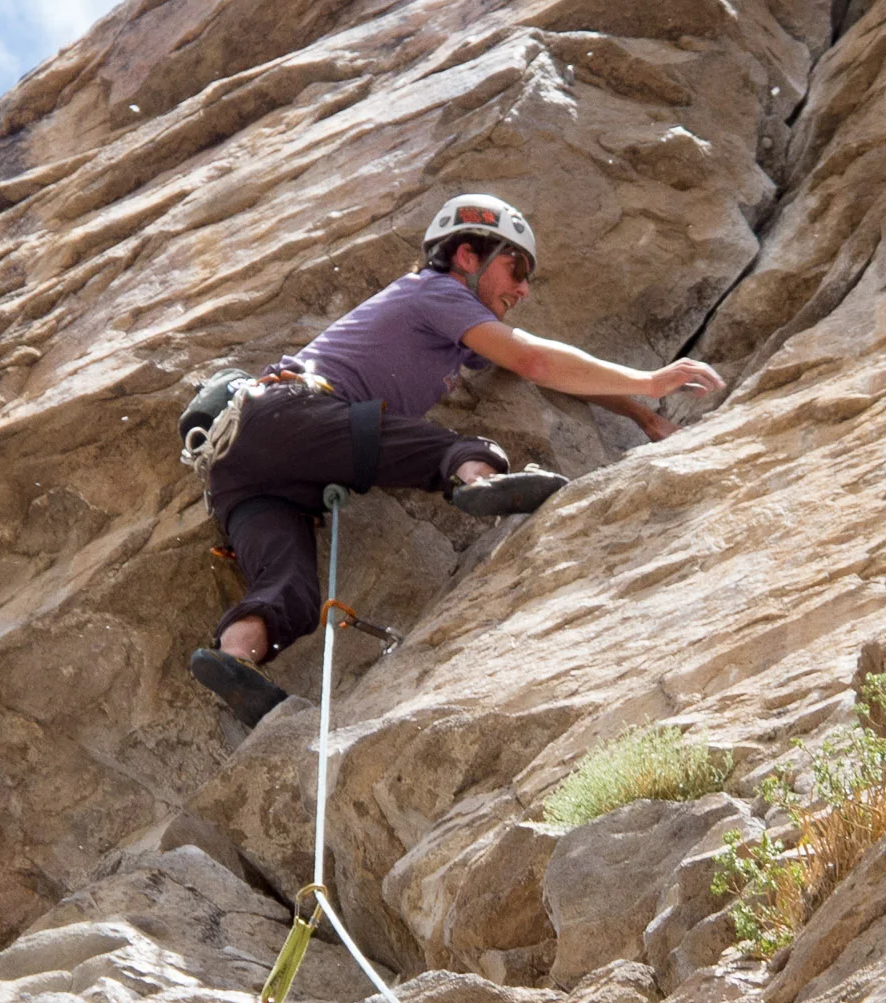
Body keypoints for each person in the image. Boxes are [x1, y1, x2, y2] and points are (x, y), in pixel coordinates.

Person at [186, 187, 725, 724]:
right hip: (292, 417)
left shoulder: (450, 325)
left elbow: (540, 365)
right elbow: (534, 359)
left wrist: (643, 415)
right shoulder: (434, 292)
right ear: (468, 256)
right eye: (516, 269)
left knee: (290, 590)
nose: (524, 289)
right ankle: (477, 481)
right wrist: (652, 380)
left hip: (238, 469)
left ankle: (235, 660)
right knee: (455, 448)